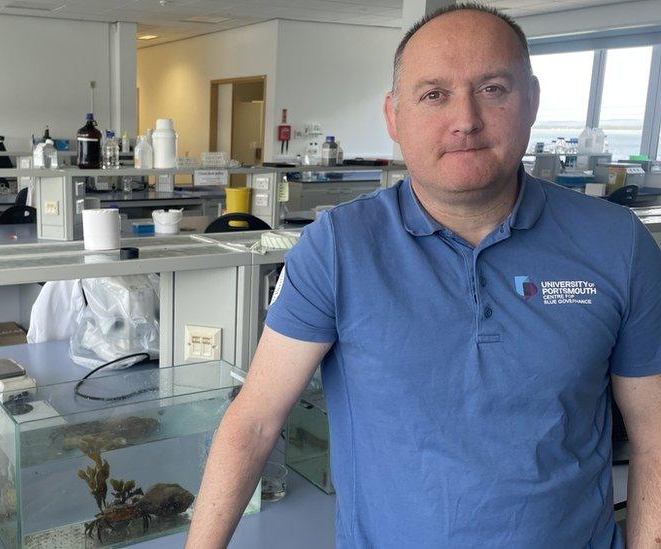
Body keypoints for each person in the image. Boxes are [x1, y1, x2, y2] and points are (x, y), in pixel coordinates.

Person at [185, 4, 661, 548]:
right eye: (434, 94)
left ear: (531, 101)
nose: (465, 119)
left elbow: (655, 436)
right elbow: (254, 424)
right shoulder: (339, 247)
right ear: (394, 116)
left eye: (493, 89)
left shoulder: (618, 244)